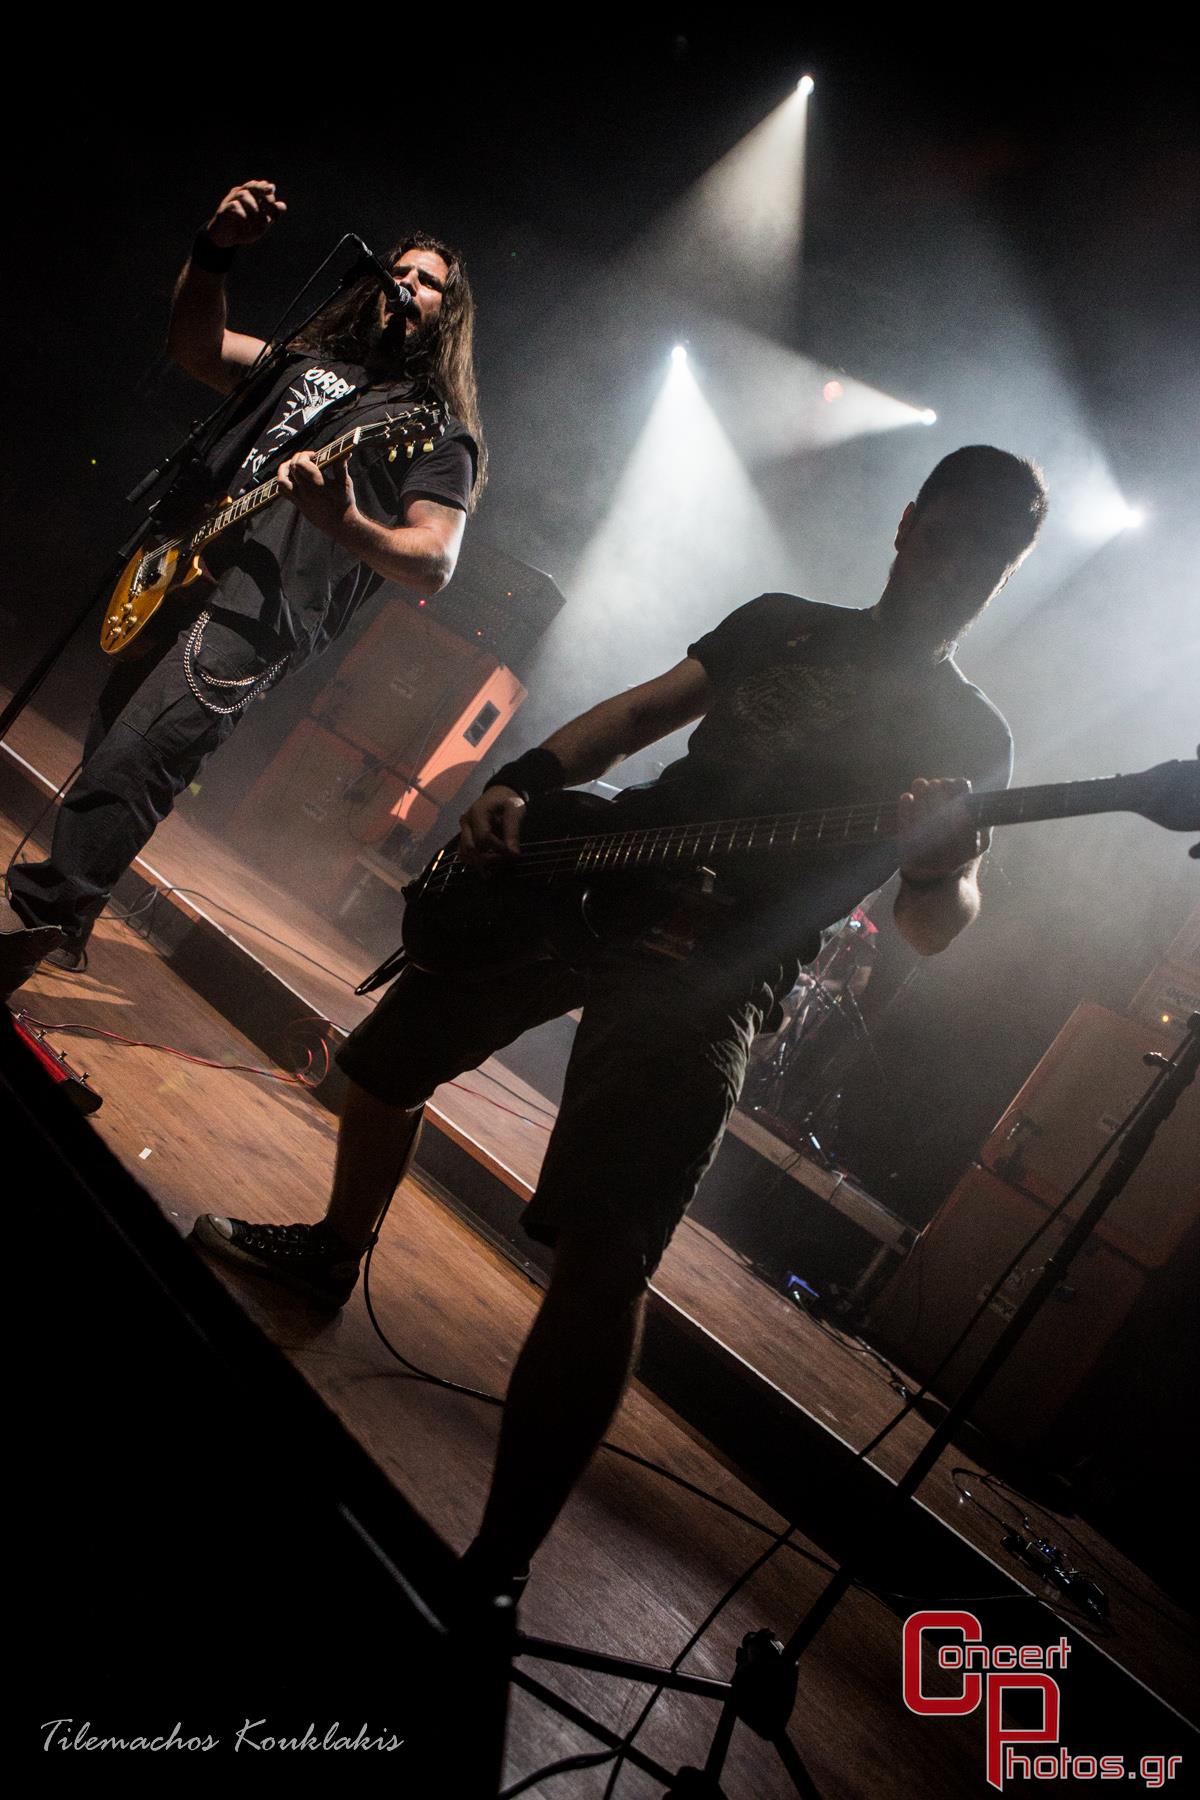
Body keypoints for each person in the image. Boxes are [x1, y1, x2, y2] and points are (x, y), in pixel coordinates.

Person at [193, 445, 1047, 1596]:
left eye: (989, 560)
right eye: (949, 537)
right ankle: (334, 1253)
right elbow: (641, 714)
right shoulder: (784, 622)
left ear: (1005, 577)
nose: (958, 569)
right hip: (600, 866)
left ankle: (495, 1571)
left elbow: (937, 926)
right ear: (907, 525)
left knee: (608, 1254)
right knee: (391, 1058)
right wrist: (524, 779)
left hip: (721, 964)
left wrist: (943, 867)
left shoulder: (969, 736)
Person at [1, 180, 483, 998]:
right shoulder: (306, 362)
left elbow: (434, 560)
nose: (404, 284)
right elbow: (195, 346)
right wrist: (213, 251)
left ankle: (29, 924)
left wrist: (345, 522)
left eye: (427, 281)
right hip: (179, 568)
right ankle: (62, 927)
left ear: (449, 313)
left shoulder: (433, 427)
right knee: (113, 748)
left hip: (259, 613)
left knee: (136, 759)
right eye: (397, 270)